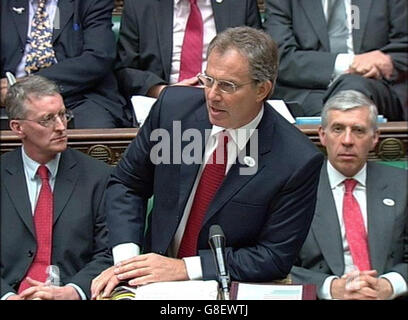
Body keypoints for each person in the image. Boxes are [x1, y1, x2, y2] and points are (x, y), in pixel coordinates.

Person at [91, 26, 324, 299]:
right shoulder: (174, 110)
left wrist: (185, 268)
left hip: (226, 289)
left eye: (227, 85)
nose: (212, 95)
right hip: (152, 283)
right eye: (208, 79)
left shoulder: (296, 160)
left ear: (262, 89)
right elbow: (127, 184)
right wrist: (127, 263)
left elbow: (274, 256)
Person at [0, 75, 112, 300]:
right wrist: (7, 297)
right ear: (17, 127)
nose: (61, 127)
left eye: (62, 114)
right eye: (47, 119)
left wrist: (74, 291)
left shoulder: (98, 177)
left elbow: (108, 253)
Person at [290, 90, 408, 300]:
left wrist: (390, 285)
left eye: (358, 130)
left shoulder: (402, 185)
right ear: (322, 136)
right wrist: (329, 288)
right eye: (338, 129)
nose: (347, 140)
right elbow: (275, 263)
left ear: (375, 138)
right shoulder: (296, 188)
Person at [263, 0, 408, 120]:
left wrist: (388, 60)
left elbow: (403, 46)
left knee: (351, 91)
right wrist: (351, 62)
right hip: (306, 91)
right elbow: (280, 57)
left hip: (373, 87)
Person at [0, 0, 132, 128]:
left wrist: (26, 86)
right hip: (11, 98)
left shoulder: (90, 3)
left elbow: (98, 57)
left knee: (96, 129)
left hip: (78, 95)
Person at [114, 0, 262, 100]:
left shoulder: (241, 3)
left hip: (227, 100)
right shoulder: (140, 5)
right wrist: (162, 91)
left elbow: (258, 63)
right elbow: (125, 70)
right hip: (164, 101)